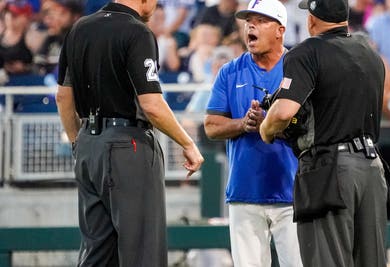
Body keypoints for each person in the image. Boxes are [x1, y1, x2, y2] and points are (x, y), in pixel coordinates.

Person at [55, 0, 204, 266]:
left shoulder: (80, 28)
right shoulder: (137, 31)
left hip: (89, 146)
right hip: (128, 146)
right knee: (142, 252)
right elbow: (152, 105)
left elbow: (63, 97)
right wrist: (187, 142)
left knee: (97, 253)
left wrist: (80, 142)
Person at [259, 0, 390, 266]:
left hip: (330, 171)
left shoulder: (307, 52)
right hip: (372, 168)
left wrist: (265, 128)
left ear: (312, 19)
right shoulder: (369, 52)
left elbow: (283, 112)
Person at [203, 0, 302, 266]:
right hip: (245, 192)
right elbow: (211, 126)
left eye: (261, 20)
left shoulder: (298, 67)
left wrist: (268, 124)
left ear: (280, 30)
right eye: (249, 21)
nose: (251, 26)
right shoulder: (230, 71)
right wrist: (243, 124)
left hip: (293, 192)